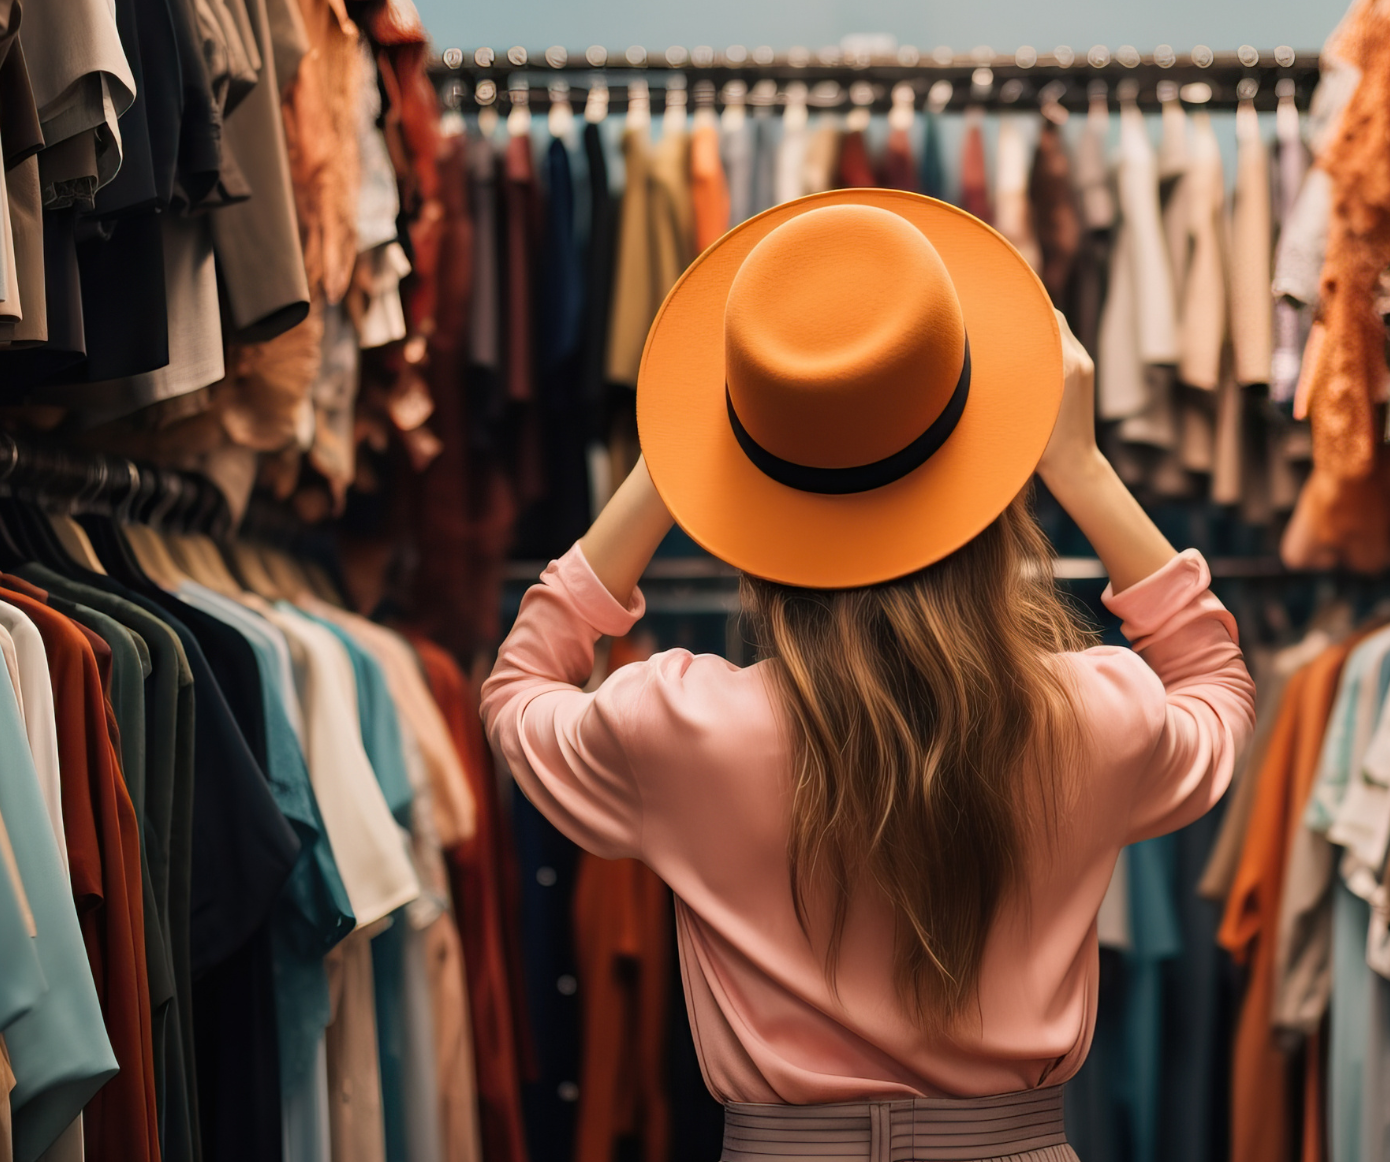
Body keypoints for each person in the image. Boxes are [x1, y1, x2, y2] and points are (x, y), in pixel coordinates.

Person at [482, 193, 1257, 1160]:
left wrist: (664, 469)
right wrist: (1083, 466)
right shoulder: (1095, 713)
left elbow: (518, 691)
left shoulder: (673, 725)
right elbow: (1218, 685)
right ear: (986, 486)